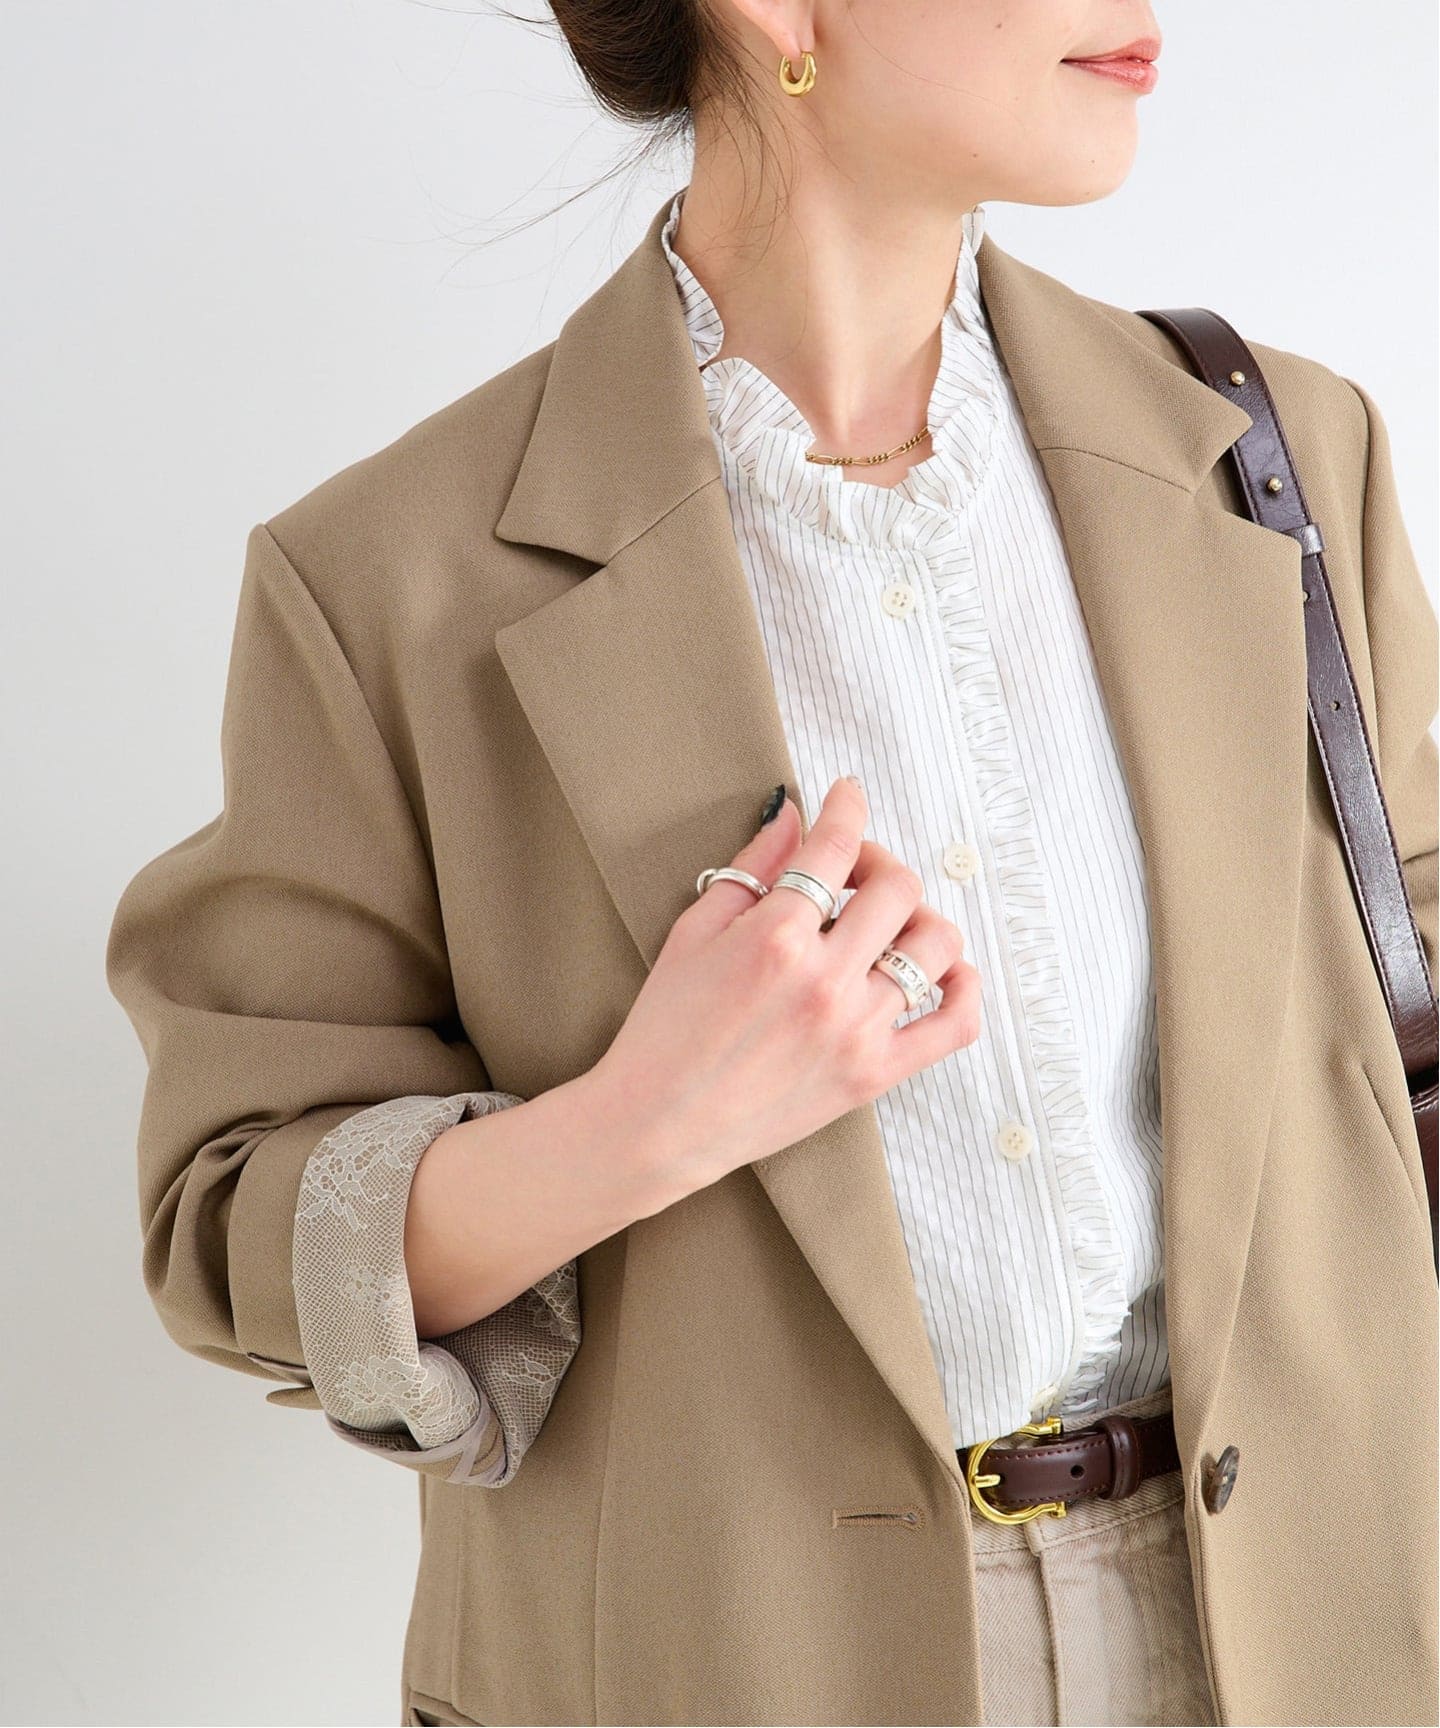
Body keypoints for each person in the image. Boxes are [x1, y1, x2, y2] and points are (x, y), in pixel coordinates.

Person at [106, 1, 1438, 1724]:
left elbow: (1411, 954)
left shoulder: (1277, 459)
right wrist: (637, 1122)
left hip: (1314, 1623)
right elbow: (233, 1220)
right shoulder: (387, 582)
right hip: (726, 1658)